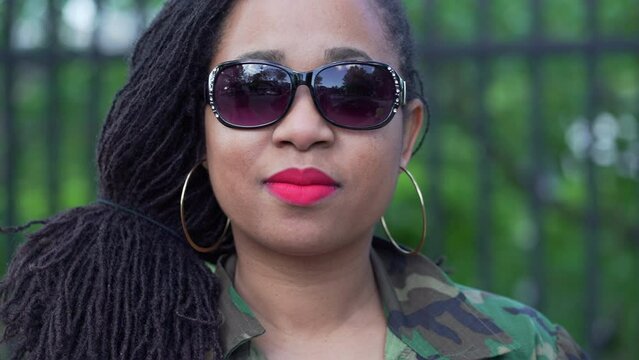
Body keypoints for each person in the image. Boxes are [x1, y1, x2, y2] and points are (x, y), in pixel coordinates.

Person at [0, 0, 588, 359]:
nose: (302, 129)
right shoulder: (111, 342)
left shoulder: (523, 347)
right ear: (200, 134)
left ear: (405, 135)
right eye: (253, 90)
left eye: (354, 91)